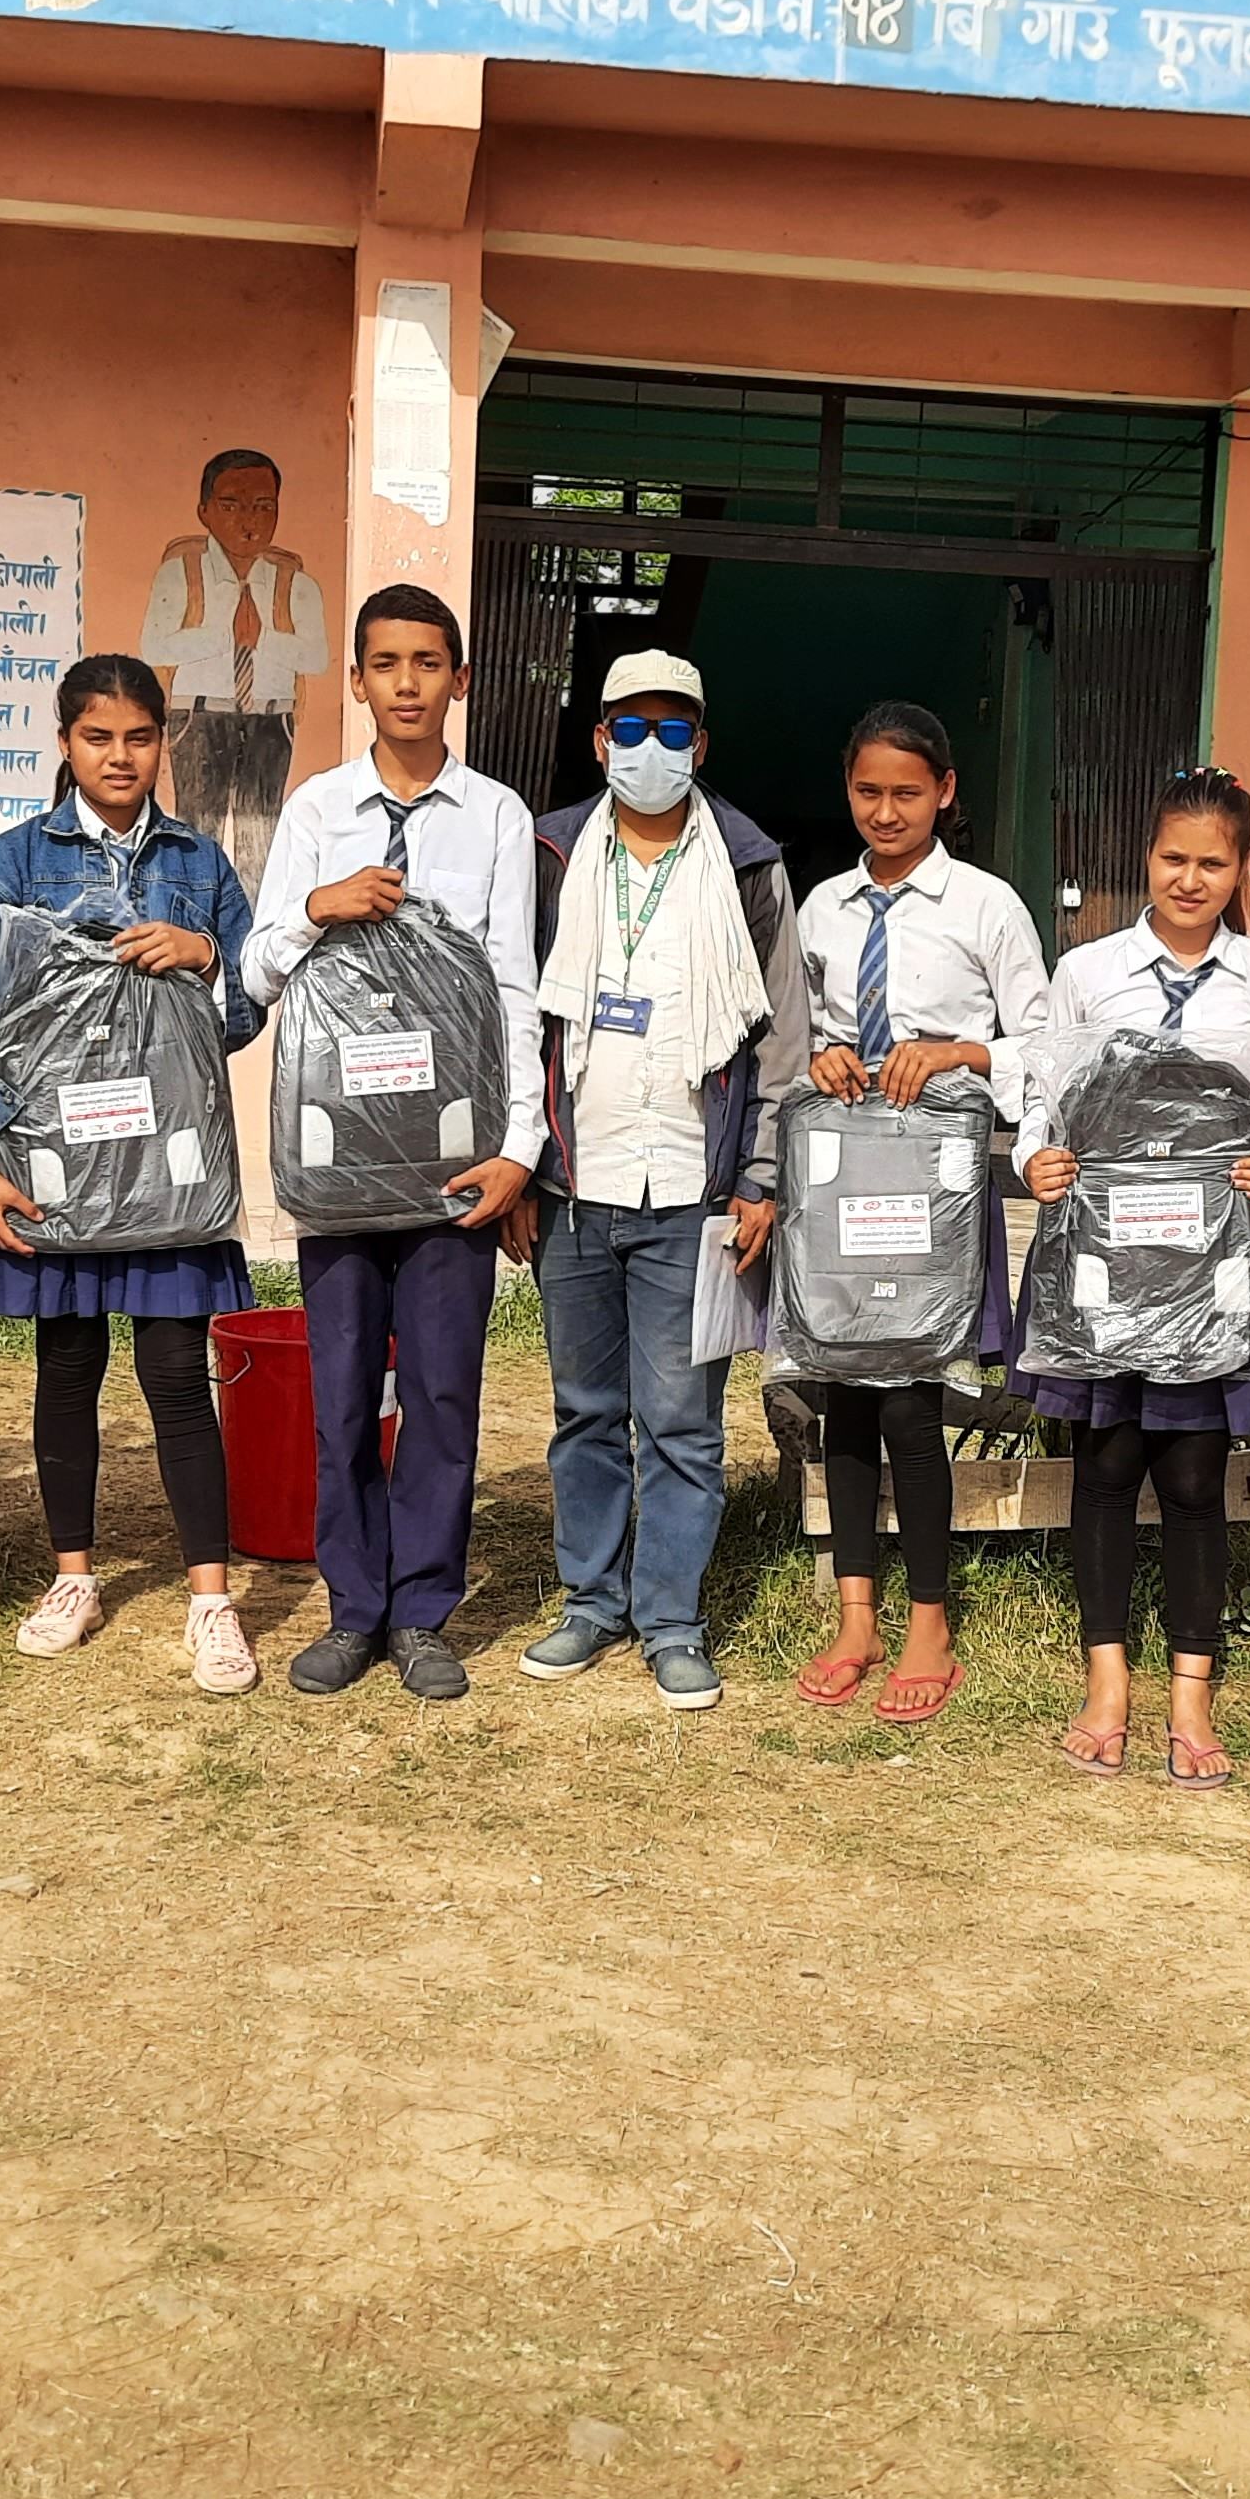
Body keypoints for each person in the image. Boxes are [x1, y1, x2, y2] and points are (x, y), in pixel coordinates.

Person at [241, 585, 540, 1702]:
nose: (407, 682)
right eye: (385, 663)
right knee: (341, 1393)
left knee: (445, 1396)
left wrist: (518, 1151)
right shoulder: (318, 808)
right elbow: (258, 967)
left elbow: (512, 986)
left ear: (459, 680)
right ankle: (350, 1608)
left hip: (453, 1157)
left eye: (428, 662)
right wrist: (318, 904)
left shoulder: (496, 817)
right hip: (337, 1156)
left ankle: (423, 1612)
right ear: (356, 682)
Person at [0, 653, 268, 1695]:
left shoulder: (200, 867)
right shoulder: (10, 863)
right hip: (55, 1159)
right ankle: (73, 1577)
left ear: (161, 743)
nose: (120, 756)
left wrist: (206, 961)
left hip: (167, 1168)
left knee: (179, 1375)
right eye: (98, 737)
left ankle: (212, 1602)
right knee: (66, 1370)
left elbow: (242, 1017)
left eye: (139, 737)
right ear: (65, 744)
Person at [512, 648, 812, 1713]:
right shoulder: (549, 853)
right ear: (599, 743)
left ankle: (671, 1620)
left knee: (682, 1422)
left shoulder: (745, 865)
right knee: (584, 1410)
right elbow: (518, 1019)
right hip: (575, 1184)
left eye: (672, 731)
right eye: (629, 731)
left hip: (693, 1186)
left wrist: (762, 1176)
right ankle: (591, 1602)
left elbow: (779, 1041)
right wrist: (520, 1168)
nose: (650, 750)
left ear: (701, 745)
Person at [1011, 770, 1250, 1788]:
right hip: (1103, 1263)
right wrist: (1032, 1161)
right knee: (1103, 1464)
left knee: (1191, 1477)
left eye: (1213, 863)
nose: (1190, 879)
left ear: (1238, 869)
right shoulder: (1090, 970)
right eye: (1174, 858)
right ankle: (1106, 1686)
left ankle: (1190, 1695)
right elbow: (1044, 1096)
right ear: (1146, 857)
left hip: (1216, 1270)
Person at [789, 700, 1049, 1727]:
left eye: (906, 792)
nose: (885, 811)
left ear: (944, 792)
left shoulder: (987, 907)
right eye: (867, 792)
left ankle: (929, 1622)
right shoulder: (824, 909)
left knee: (912, 1402)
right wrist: (824, 1057)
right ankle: (856, 1616)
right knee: (843, 1394)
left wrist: (954, 1052)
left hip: (936, 1192)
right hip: (843, 1185)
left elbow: (1042, 1041)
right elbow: (803, 1034)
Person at [140, 448, 326, 896]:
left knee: (259, 836)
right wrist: (224, 637)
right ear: (203, 511)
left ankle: (248, 940)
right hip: (201, 718)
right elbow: (154, 645)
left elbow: (317, 657)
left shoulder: (295, 582)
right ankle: (193, 924)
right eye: (231, 505)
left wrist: (262, 639)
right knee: (196, 831)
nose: (249, 520)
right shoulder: (180, 573)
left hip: (270, 719)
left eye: (265, 507)